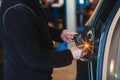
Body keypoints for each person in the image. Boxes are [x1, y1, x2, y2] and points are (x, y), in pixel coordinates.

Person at [0, 0, 86, 80]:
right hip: (25, 75)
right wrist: (70, 54)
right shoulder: (17, 12)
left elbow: (34, 26)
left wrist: (59, 34)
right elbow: (36, 59)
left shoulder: (28, 3)